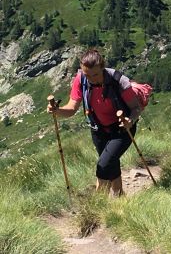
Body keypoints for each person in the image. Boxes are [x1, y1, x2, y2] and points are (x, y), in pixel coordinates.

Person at [47, 49, 141, 197]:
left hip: (123, 129)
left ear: (103, 68)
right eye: (87, 75)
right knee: (111, 162)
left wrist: (131, 120)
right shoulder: (81, 79)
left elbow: (136, 108)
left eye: (95, 74)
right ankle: (120, 196)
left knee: (103, 164)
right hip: (98, 129)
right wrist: (57, 111)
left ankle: (98, 204)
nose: (91, 79)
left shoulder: (118, 81)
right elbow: (71, 109)